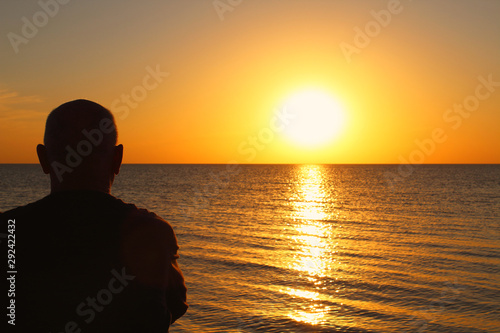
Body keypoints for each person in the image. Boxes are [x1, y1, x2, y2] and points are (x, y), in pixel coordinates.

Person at [1, 99, 187, 332]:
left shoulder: (7, 231)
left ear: (43, 158)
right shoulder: (152, 233)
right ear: (117, 158)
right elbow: (174, 305)